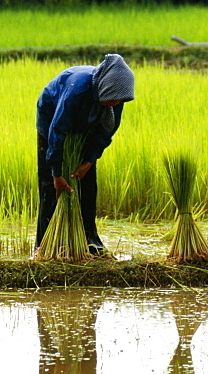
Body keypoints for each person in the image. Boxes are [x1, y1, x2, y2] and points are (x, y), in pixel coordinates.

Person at [35, 53, 135, 255]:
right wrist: (56, 173)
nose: (116, 103)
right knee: (50, 189)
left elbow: (107, 131)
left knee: (88, 186)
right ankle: (44, 245)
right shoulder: (78, 89)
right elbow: (58, 129)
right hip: (52, 119)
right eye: (113, 98)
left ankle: (90, 241)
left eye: (119, 100)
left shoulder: (116, 98)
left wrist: (89, 160)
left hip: (88, 125)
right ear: (104, 89)